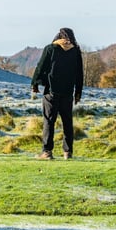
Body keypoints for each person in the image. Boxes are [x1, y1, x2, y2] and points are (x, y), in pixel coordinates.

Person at [31, 27, 83, 160]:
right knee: (67, 122)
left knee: (49, 121)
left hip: (51, 91)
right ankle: (68, 152)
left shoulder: (50, 48)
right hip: (68, 91)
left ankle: (47, 151)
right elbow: (79, 73)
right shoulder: (75, 51)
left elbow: (41, 66)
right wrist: (78, 92)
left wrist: (35, 84)